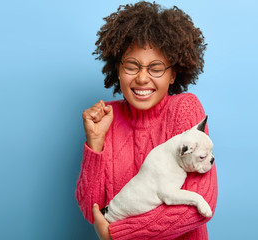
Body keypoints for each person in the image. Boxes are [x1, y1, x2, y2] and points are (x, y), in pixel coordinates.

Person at [75, 1, 218, 239]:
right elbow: (94, 212)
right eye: (132, 66)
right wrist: (95, 143)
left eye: (156, 68)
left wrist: (117, 234)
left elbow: (201, 205)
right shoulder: (105, 118)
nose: (142, 78)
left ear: (173, 74)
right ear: (117, 69)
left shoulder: (185, 108)